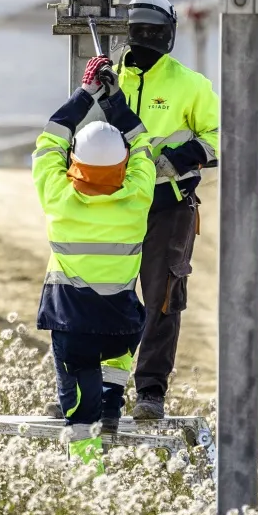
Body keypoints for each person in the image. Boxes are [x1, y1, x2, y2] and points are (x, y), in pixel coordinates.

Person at [33, 55, 154, 466]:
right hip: (120, 324)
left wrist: (86, 93)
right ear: (121, 166)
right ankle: (113, 406)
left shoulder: (59, 196)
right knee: (117, 355)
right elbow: (142, 146)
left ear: (74, 164)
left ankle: (88, 472)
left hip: (72, 324)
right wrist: (117, 102)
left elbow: (49, 140)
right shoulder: (137, 197)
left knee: (77, 408)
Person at [113, 0, 219, 422]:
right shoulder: (107, 79)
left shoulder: (190, 84)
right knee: (106, 294)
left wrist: (186, 155)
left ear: (170, 34)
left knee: (161, 298)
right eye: (140, 31)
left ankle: (150, 391)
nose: (146, 39)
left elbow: (222, 137)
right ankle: (102, 385)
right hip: (113, 207)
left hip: (169, 206)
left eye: (155, 32)